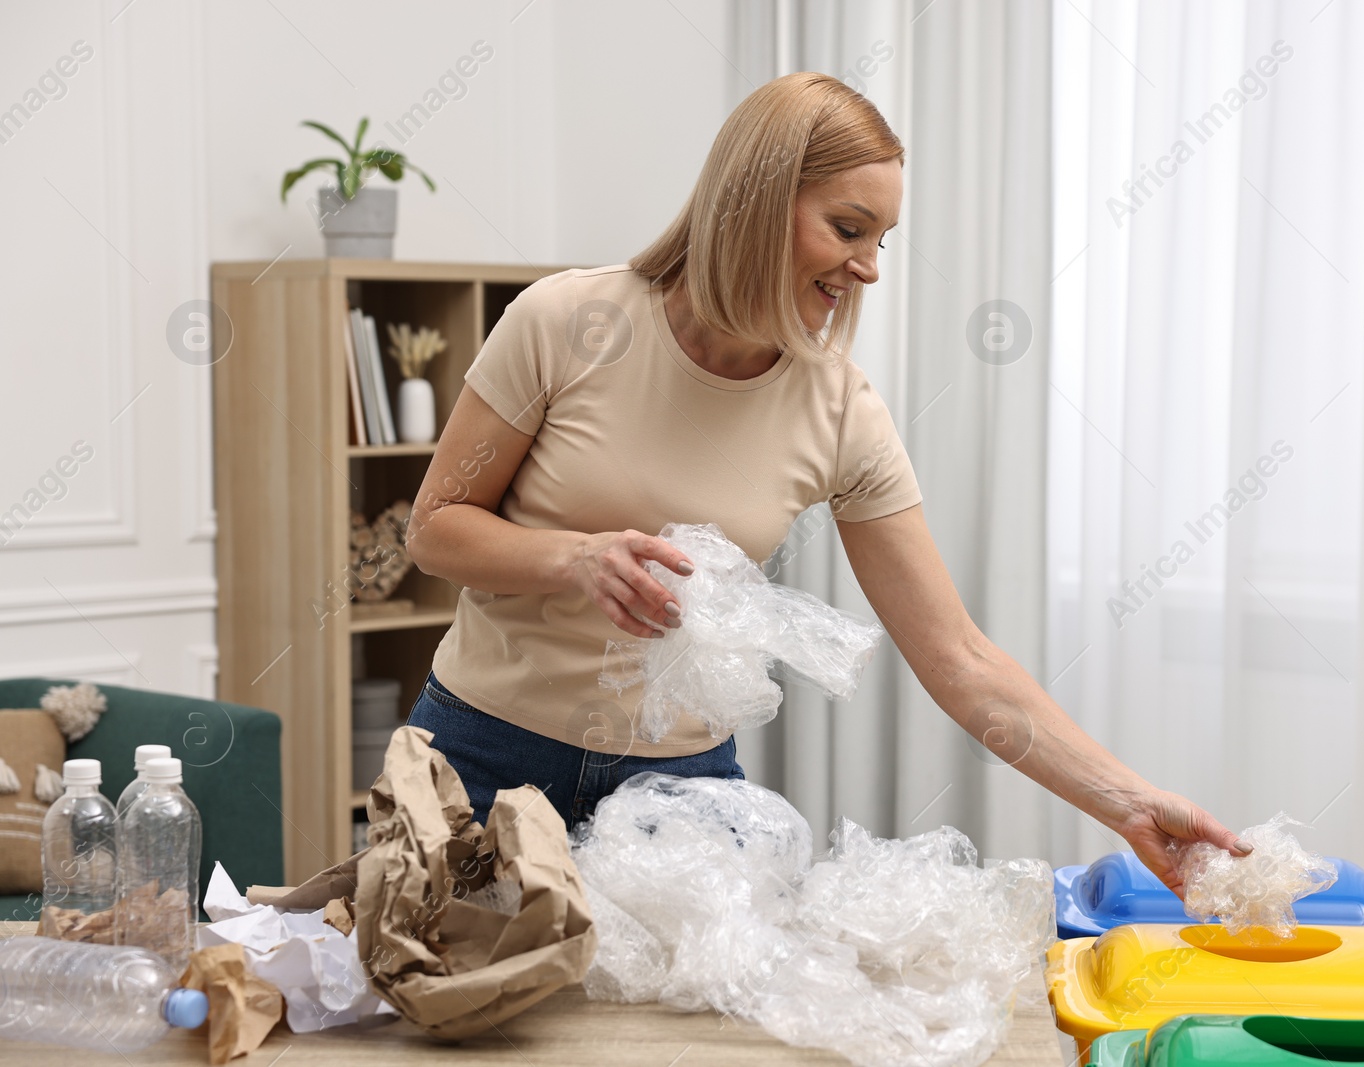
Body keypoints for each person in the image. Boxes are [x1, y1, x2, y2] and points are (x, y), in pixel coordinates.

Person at [405, 71, 1248, 897]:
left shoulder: (840, 408)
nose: (869, 266)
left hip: (679, 791)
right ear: (757, 200)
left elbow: (959, 657)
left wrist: (1131, 804)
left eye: (880, 239)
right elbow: (436, 527)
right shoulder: (565, 322)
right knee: (461, 1026)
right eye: (849, 228)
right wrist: (575, 558)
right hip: (486, 760)